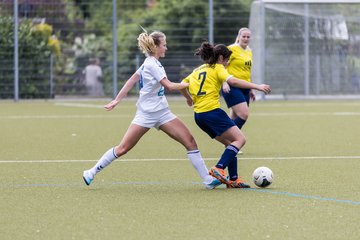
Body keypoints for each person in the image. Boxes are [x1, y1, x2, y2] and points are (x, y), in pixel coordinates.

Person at [82, 30, 221, 189]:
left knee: (189, 141)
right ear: (155, 46)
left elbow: (132, 80)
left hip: (162, 113)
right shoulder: (151, 64)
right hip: (146, 114)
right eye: (164, 45)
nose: (166, 48)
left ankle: (207, 180)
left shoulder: (151, 62)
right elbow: (168, 86)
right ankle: (91, 172)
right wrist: (191, 83)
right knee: (123, 148)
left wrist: (116, 100)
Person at [180, 41, 271, 188]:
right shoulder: (217, 67)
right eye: (227, 60)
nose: (228, 63)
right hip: (213, 113)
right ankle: (219, 168)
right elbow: (233, 81)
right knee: (240, 139)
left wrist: (188, 98)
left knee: (230, 143)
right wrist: (257, 86)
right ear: (221, 58)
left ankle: (234, 179)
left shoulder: (198, 70)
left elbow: (183, 85)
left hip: (199, 116)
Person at [221, 27, 255, 132]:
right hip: (232, 86)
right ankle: (229, 137)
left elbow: (248, 71)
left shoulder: (249, 51)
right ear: (239, 37)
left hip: (245, 87)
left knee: (234, 117)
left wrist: (251, 89)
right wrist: (224, 82)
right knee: (243, 114)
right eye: (243, 36)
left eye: (248, 37)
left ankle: (229, 143)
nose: (245, 38)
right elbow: (221, 66)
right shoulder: (231, 49)